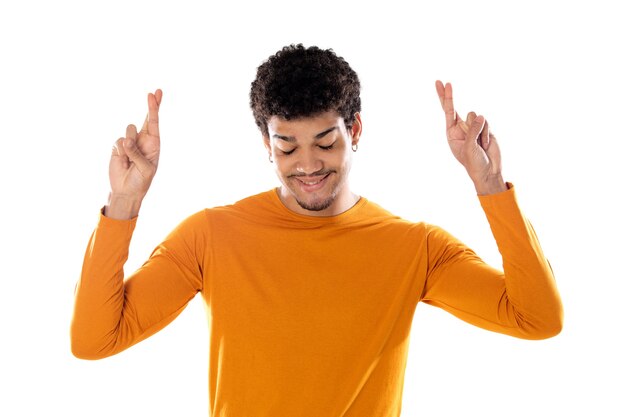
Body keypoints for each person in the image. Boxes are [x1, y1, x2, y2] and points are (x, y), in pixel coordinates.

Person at [71, 44, 563, 416]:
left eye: (325, 143)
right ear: (266, 142)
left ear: (356, 132)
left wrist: (490, 185)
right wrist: (126, 201)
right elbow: (95, 340)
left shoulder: (415, 247)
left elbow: (536, 318)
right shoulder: (211, 236)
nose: (307, 165)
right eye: (287, 147)